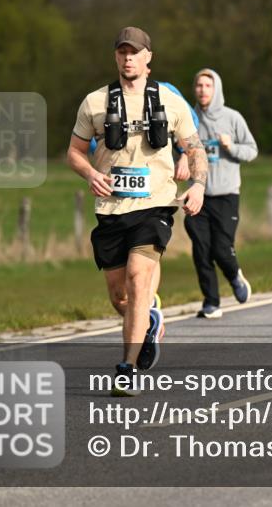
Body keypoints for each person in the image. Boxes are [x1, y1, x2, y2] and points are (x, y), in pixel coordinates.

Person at [67, 27, 207, 395]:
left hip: (155, 205)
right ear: (116, 57)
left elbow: (195, 149)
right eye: (122, 52)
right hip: (111, 209)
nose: (128, 58)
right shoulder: (95, 102)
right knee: (120, 297)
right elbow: (74, 152)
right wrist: (91, 173)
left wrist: (199, 185)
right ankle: (148, 320)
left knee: (138, 276)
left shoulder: (171, 102)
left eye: (135, 52)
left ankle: (125, 369)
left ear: (149, 57)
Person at [185, 68, 258, 319]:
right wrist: (181, 158)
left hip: (226, 195)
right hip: (198, 196)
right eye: (198, 85)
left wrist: (231, 146)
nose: (202, 90)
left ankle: (234, 276)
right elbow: (177, 151)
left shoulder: (232, 118)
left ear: (216, 90)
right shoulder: (189, 119)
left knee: (221, 248)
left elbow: (252, 151)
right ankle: (211, 302)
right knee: (201, 249)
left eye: (208, 85)